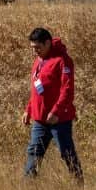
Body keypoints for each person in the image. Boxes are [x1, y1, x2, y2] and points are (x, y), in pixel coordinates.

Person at [22, 28, 83, 182]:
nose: (35, 51)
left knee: (66, 152)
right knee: (34, 152)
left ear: (48, 43)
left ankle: (79, 183)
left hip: (59, 119)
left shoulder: (63, 60)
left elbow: (67, 90)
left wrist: (56, 111)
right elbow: (36, 88)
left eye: (38, 47)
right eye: (33, 48)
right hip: (40, 119)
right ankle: (27, 187)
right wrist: (28, 110)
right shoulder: (38, 60)